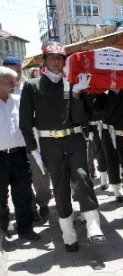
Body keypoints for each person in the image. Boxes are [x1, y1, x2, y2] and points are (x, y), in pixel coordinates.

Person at [19, 41, 106, 252]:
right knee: (60, 187)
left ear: (65, 61)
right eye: (52, 57)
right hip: (49, 145)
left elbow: (81, 118)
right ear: (45, 60)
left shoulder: (72, 83)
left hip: (74, 140)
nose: (57, 61)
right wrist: (33, 150)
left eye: (60, 58)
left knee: (82, 177)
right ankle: (68, 232)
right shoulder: (32, 85)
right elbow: (25, 123)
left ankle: (93, 225)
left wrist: (77, 94)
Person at [3, 57, 52, 223]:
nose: (15, 72)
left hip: (31, 141)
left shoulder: (29, 86)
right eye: (11, 69)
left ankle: (43, 202)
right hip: (10, 144)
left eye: (17, 68)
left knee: (41, 175)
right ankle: (30, 211)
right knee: (21, 183)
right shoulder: (3, 89)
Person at [0, 67, 40, 241]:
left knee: (23, 194)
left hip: (20, 155)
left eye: (16, 80)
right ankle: (4, 225)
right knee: (0, 196)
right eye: (10, 81)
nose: (15, 84)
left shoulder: (19, 101)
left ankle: (25, 228)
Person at [94, 89, 123, 217]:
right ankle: (118, 189)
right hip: (110, 131)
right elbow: (102, 111)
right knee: (112, 160)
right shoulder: (103, 92)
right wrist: (111, 92)